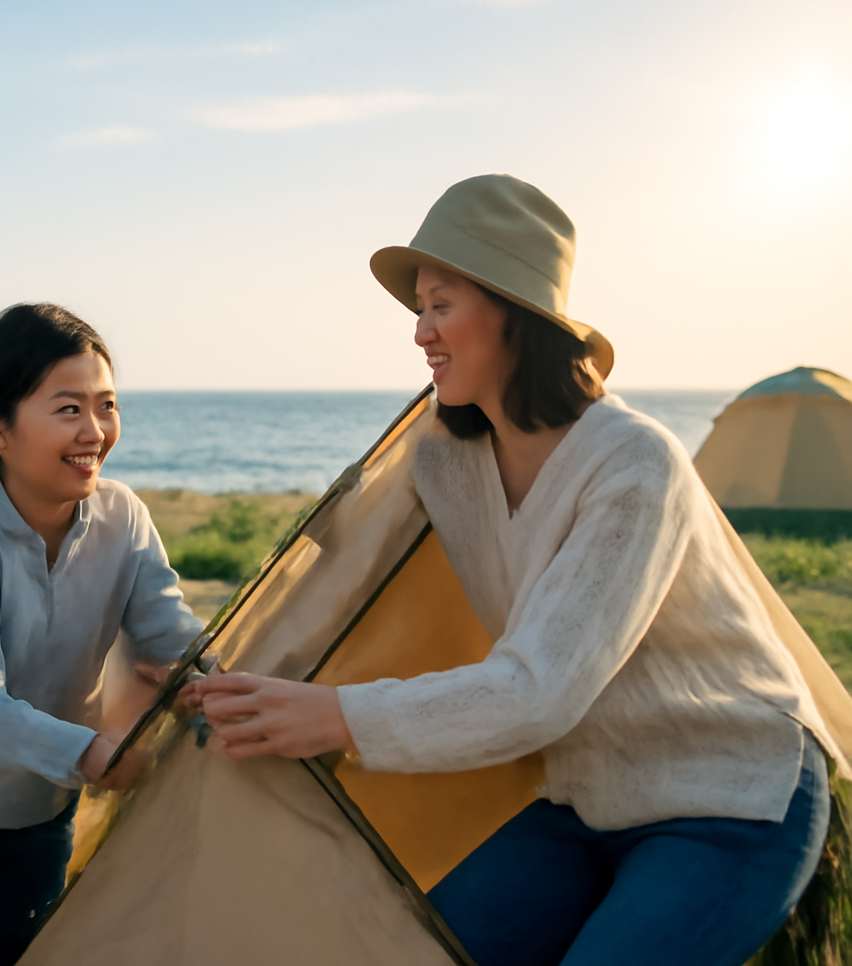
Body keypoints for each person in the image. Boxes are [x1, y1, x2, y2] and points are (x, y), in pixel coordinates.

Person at [190, 174, 840, 966]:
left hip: (728, 793)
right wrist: (219, 672)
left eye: (440, 305)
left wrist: (337, 717)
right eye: (418, 310)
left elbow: (541, 690)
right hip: (587, 796)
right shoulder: (442, 459)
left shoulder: (634, 463)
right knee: (411, 950)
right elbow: (337, 576)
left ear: (514, 314)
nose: (420, 333)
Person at [0, 303, 205, 966]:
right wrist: (92, 754)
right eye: (68, 409)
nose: (95, 431)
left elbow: (169, 633)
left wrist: (212, 682)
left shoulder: (123, 517)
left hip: (44, 810)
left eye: (106, 405)